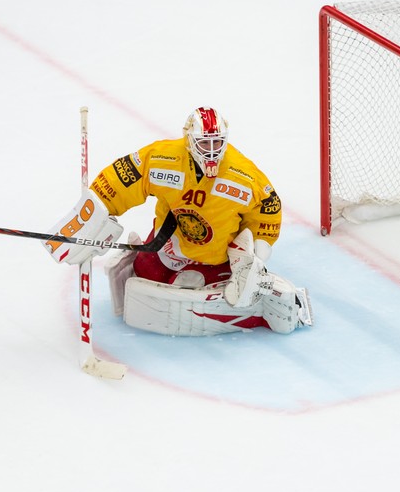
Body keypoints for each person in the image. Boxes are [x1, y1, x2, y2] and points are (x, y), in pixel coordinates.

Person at [46, 106, 312, 336]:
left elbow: (268, 207)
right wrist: (95, 214)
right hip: (169, 243)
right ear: (188, 139)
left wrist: (259, 255)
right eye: (204, 143)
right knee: (143, 279)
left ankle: (255, 289)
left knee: (210, 294)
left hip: (216, 254)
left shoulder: (243, 176)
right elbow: (123, 177)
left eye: (216, 143)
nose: (211, 151)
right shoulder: (163, 159)